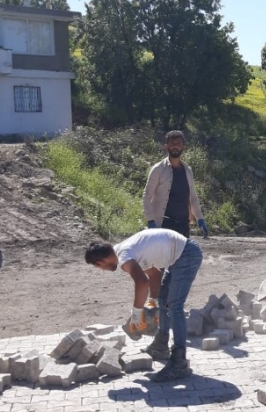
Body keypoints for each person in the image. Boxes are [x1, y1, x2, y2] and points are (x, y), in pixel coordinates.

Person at [85, 228, 203, 382]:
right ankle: (161, 346)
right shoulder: (126, 251)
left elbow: (142, 282)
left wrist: (136, 314)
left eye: (99, 267)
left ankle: (179, 363)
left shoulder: (124, 256)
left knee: (174, 306)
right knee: (163, 301)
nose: (102, 270)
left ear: (100, 262)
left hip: (186, 254)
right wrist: (153, 302)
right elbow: (154, 274)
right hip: (179, 255)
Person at [143, 130, 209, 239]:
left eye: (178, 144)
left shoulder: (187, 170)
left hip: (183, 224)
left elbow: (192, 197)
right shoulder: (158, 169)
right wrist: (150, 221)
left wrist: (200, 219)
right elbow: (147, 196)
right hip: (164, 225)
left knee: (183, 256)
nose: (175, 147)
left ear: (183, 147)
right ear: (166, 146)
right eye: (172, 144)